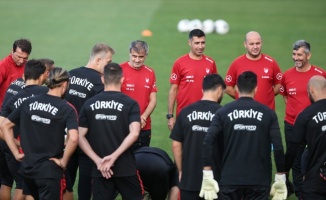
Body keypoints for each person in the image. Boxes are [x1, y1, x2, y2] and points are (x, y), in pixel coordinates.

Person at [200, 71, 287, 200]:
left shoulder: (222, 112)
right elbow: (278, 147)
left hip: (230, 179)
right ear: (256, 89)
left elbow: (207, 141)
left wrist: (207, 173)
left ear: (236, 88)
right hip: (259, 180)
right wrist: (280, 175)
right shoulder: (269, 114)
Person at [0, 67, 78, 200]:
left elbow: (5, 125)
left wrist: (16, 153)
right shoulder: (66, 108)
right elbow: (74, 138)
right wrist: (64, 162)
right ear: (65, 84)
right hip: (49, 171)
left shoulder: (28, 102)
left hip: (28, 167)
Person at [78, 62, 143, 200]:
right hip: (126, 168)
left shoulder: (89, 104)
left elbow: (79, 136)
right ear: (122, 79)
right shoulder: (130, 103)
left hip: (100, 170)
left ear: (102, 79)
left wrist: (97, 161)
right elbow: (135, 133)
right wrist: (113, 157)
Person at [64, 43, 115, 200]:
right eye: (108, 62)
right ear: (98, 60)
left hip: (67, 138)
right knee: (86, 186)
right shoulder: (100, 83)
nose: (109, 67)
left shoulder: (70, 75)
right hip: (88, 141)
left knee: (66, 183)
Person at [280, 40, 326, 199]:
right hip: (292, 124)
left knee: (317, 157)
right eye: (294, 54)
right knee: (296, 162)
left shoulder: (320, 74)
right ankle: (301, 193)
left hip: (316, 125)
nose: (296, 58)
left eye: (299, 54)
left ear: (308, 55)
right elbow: (286, 96)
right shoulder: (286, 75)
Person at [169, 74, 225, 200]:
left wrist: (181, 170)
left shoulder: (185, 112)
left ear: (202, 89)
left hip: (189, 179)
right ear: (220, 90)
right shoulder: (223, 114)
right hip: (215, 179)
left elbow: (176, 144)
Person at [0, 59, 49, 200]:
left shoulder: (14, 95)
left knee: (7, 182)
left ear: (23, 76)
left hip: (9, 147)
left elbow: (1, 125)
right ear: (42, 77)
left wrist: (15, 144)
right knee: (28, 187)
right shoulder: (47, 93)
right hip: (35, 150)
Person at [285, 75, 326, 199]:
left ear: (312, 90)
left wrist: (283, 171)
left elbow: (293, 147)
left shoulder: (305, 115)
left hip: (316, 182)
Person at [167, 28, 218, 130]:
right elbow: (173, 90)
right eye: (197, 43)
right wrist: (170, 116)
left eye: (203, 43)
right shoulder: (180, 63)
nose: (200, 46)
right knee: (183, 145)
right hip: (184, 114)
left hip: (205, 114)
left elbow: (215, 90)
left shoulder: (210, 63)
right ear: (189, 43)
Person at [224, 31, 282, 110]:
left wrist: (268, 96)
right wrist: (242, 97)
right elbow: (227, 87)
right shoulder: (237, 63)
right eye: (251, 44)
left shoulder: (271, 63)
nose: (255, 47)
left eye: (257, 43)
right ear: (245, 44)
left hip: (266, 113)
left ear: (262, 43)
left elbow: (279, 84)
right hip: (244, 112)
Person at [120, 40, 157, 151]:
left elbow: (153, 100)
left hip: (144, 126)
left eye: (141, 57)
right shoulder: (119, 70)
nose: (137, 60)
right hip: (123, 125)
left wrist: (144, 116)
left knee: (141, 161)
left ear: (146, 55)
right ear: (129, 54)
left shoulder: (150, 72)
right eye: (134, 56)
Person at [0, 38, 32, 107]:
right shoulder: (2, 66)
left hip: (20, 110)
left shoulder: (28, 66)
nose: (21, 61)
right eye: (19, 57)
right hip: (4, 111)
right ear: (12, 50)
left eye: (25, 58)